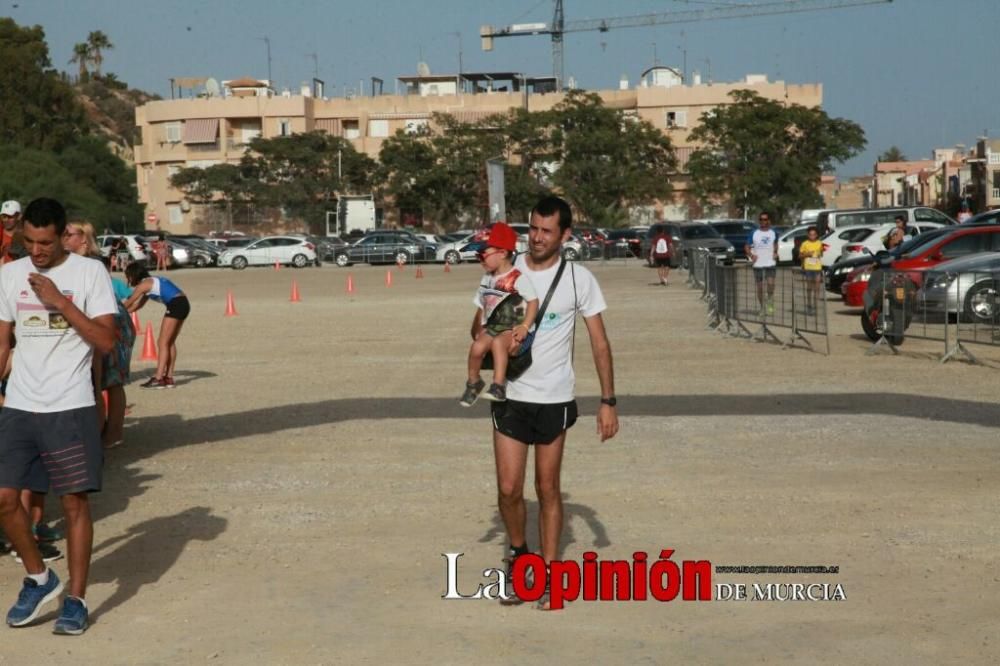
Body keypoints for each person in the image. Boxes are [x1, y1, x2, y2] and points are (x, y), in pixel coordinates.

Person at [473, 196, 618, 610]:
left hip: (555, 397)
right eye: (533, 229)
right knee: (508, 488)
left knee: (547, 487)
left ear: (564, 235)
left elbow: (599, 342)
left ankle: (550, 574)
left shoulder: (579, 279)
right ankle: (520, 559)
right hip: (511, 393)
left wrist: (608, 400)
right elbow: (475, 326)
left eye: (546, 231)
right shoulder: (504, 269)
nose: (536, 238)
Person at [0, 197, 117, 635]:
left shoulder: (89, 273)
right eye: (28, 241)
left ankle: (76, 598)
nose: (37, 250)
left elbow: (106, 341)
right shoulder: (8, 275)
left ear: (62, 234)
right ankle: (39, 577)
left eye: (45, 242)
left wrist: (60, 302)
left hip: (69, 405)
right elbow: (3, 343)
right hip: (20, 405)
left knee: (73, 504)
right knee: (5, 500)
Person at [461, 223, 539, 406]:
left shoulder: (518, 278)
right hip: (494, 326)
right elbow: (483, 303)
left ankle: (498, 386)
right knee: (477, 348)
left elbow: (534, 302)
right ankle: (474, 383)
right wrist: (479, 327)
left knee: (498, 344)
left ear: (503, 253)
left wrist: (525, 326)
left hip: (512, 328)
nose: (479, 259)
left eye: (483, 254)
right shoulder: (487, 279)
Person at [123, 263, 190, 389]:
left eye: (128, 277)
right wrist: (125, 312)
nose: (128, 280)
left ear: (133, 275)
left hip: (176, 304)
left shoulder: (143, 285)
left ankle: (158, 378)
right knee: (169, 342)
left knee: (162, 342)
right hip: (183, 303)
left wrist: (116, 312)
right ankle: (168, 378)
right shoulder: (150, 282)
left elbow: (129, 302)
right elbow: (138, 305)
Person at [745, 212, 779, 314]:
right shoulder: (754, 233)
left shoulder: (774, 233)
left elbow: (776, 243)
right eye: (761, 219)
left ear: (769, 220)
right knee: (760, 287)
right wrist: (751, 255)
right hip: (758, 264)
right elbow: (746, 246)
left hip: (770, 263)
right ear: (759, 221)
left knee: (770, 284)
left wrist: (775, 252)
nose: (763, 221)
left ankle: (770, 300)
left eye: (765, 219)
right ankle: (762, 307)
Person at [798, 225, 824, 315]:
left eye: (814, 234)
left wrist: (820, 253)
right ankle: (809, 305)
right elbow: (800, 256)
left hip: (817, 268)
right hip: (808, 268)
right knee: (809, 288)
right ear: (808, 235)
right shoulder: (804, 244)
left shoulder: (820, 243)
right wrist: (807, 254)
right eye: (810, 234)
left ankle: (815, 306)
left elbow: (821, 253)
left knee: (817, 288)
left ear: (817, 235)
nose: (812, 236)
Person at [0, 200, 26, 264]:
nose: (6, 220)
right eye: (4, 217)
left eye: (10, 217)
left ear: (19, 216)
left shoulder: (26, 237)